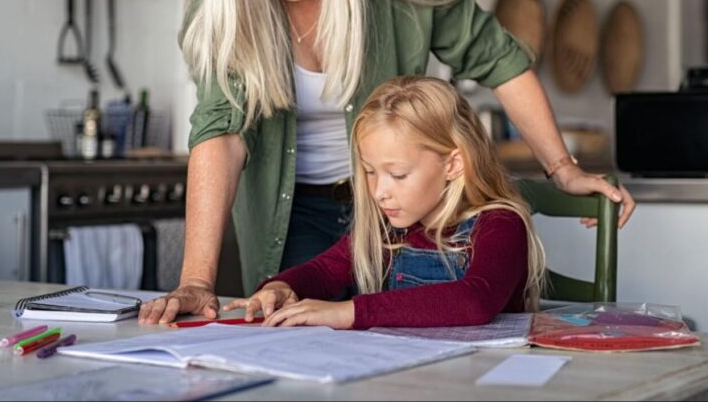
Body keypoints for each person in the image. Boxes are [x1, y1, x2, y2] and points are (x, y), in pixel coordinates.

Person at [138, 0, 635, 325]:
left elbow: (498, 60)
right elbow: (219, 131)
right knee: (297, 334)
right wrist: (197, 281)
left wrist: (561, 167)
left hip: (400, 200)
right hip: (289, 210)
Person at [223, 76, 546, 329]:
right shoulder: (388, 228)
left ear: (453, 165)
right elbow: (324, 271)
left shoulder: (500, 223)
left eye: (398, 174)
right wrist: (281, 286)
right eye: (370, 172)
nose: (379, 192)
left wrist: (349, 312)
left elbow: (475, 301)